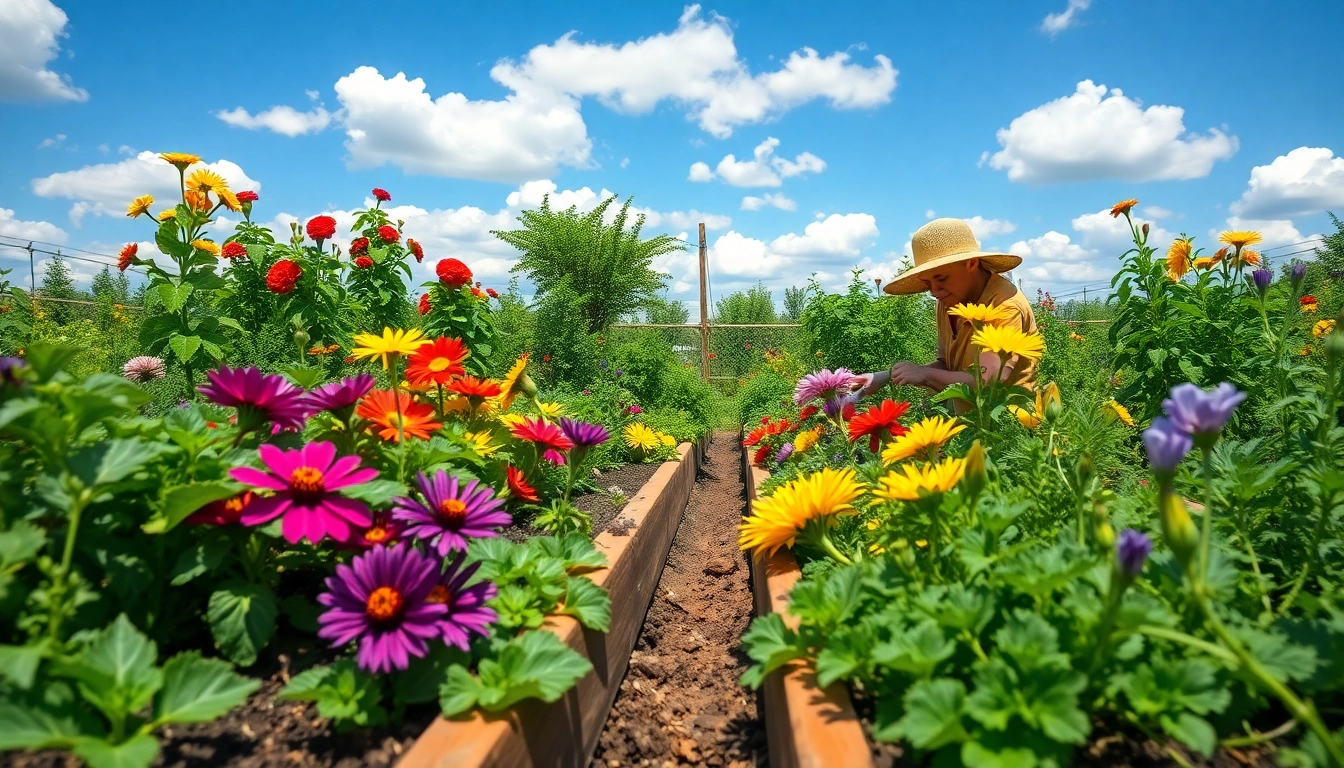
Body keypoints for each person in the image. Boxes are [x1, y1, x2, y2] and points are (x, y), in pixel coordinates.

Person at [854, 217, 1037, 404]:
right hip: (970, 425)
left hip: (1009, 425)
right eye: (927, 283)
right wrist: (886, 377)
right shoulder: (948, 300)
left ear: (971, 263)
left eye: (942, 278)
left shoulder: (1003, 306)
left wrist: (925, 375)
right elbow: (947, 365)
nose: (934, 291)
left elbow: (986, 383)